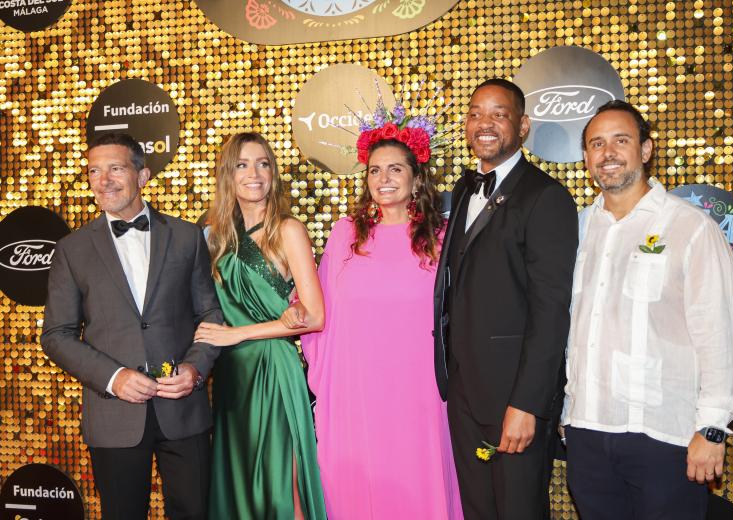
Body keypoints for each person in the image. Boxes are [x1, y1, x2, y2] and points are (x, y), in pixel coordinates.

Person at [561, 100, 733, 519]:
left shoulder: (690, 228)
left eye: (620, 140)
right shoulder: (576, 230)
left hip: (665, 435)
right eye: (596, 144)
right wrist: (567, 413)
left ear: (645, 150)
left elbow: (717, 331)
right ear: (587, 157)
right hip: (587, 430)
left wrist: (713, 428)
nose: (607, 153)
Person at [292, 103, 463, 519]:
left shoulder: (443, 236)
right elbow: (321, 312)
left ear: (416, 176)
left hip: (419, 393)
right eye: (374, 170)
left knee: (418, 484)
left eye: (395, 170)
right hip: (355, 393)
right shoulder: (344, 234)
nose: (383, 180)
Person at [41, 132, 222, 520]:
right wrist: (114, 377)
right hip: (113, 416)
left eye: (116, 168)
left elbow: (210, 315)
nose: (103, 179)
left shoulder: (187, 236)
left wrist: (194, 369)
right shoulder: (72, 249)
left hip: (183, 410)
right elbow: (57, 335)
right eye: (94, 171)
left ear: (142, 176)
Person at [433, 78, 579, 519]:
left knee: (519, 510)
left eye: (499, 114)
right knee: (478, 510)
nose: (485, 123)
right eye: (476, 113)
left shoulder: (546, 197)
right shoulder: (463, 191)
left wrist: (528, 404)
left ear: (523, 125)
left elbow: (551, 311)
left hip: (514, 396)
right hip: (462, 389)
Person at [192, 132, 327, 519]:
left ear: (274, 174)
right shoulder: (214, 238)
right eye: (243, 164)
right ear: (227, 175)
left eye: (263, 163)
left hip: (274, 370)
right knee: (241, 488)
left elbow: (315, 317)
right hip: (233, 376)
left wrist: (240, 333)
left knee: (284, 486)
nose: (254, 173)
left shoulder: (287, 230)